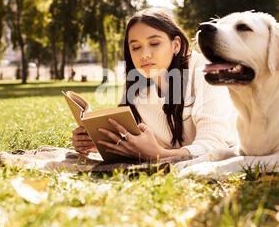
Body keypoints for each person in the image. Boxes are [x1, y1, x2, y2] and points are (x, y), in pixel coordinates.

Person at [71, 8, 237, 161]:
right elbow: (139, 141)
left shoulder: (204, 72)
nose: (144, 55)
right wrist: (100, 143)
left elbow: (215, 145)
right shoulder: (136, 85)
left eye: (154, 43)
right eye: (135, 47)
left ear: (176, 45)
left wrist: (161, 155)